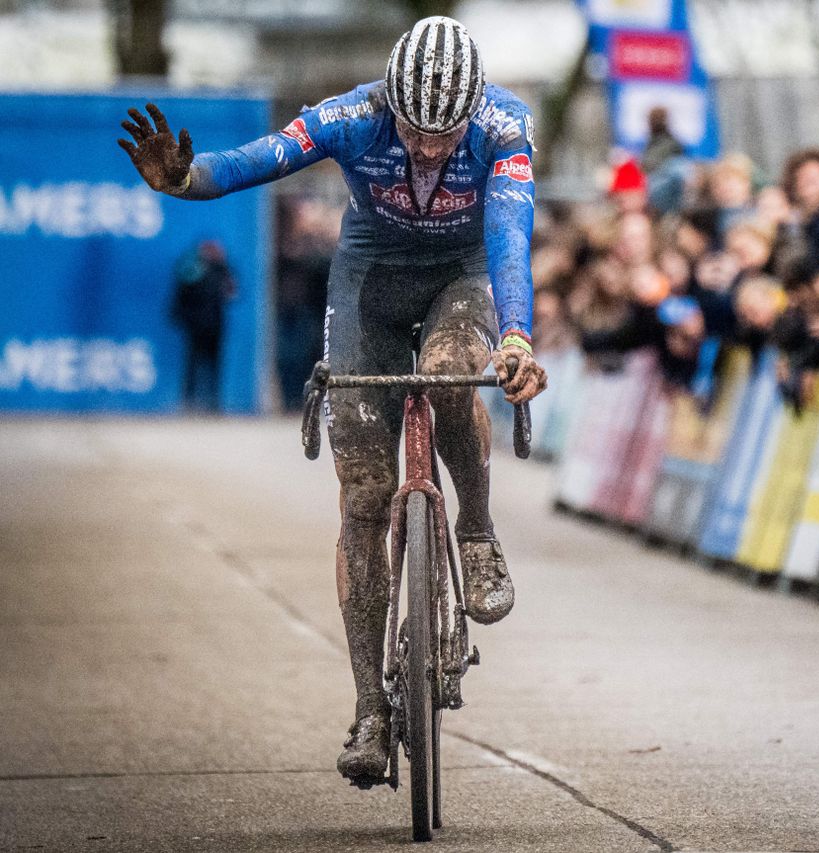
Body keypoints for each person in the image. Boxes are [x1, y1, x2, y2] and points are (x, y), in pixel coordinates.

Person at [117, 16, 547, 785]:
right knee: (364, 496)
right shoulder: (353, 115)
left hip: (464, 274)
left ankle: (476, 528)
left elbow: (512, 235)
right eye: (413, 128)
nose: (424, 146)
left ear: (472, 114)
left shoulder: (504, 127)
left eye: (442, 134)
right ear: (392, 105)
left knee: (453, 373)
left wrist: (515, 337)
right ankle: (370, 712)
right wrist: (187, 178)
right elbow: (262, 158)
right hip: (369, 281)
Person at [170, 239, 235, 412]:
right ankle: (188, 402)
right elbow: (182, 292)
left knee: (214, 366)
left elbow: (232, 292)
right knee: (192, 365)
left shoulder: (222, 270)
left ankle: (213, 403)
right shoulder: (192, 269)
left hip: (215, 325)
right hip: (196, 325)